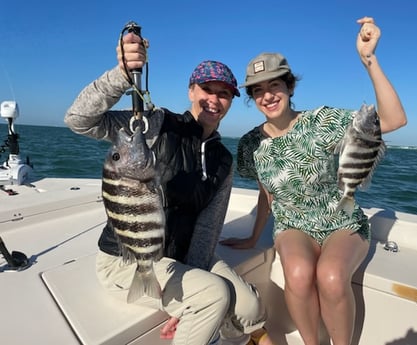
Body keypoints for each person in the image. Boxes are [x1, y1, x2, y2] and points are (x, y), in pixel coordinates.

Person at [65, 31, 273, 345]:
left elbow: (206, 229)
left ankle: (228, 329)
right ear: (191, 90)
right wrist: (121, 76)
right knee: (213, 296)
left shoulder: (222, 160)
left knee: (251, 306)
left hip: (184, 254)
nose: (214, 100)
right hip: (128, 259)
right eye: (207, 89)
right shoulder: (155, 124)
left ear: (231, 101)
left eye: (224, 94)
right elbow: (79, 120)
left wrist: (186, 292)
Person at [220, 17, 407, 345]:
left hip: (341, 220)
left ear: (290, 87)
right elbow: (267, 194)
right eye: (258, 90)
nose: (268, 95)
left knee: (332, 278)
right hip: (293, 224)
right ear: (252, 97)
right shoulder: (250, 143)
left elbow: (394, 119)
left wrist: (369, 60)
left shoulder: (322, 120)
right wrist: (253, 237)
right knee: (298, 274)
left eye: (275, 85)